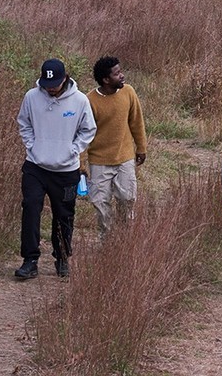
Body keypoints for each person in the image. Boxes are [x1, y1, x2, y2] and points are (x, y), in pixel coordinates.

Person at [15, 59, 96, 280]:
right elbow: (23, 122)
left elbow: (88, 129)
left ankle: (62, 258)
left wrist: (74, 149)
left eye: (56, 83)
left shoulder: (79, 101)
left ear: (65, 78)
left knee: (64, 215)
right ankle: (30, 261)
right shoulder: (32, 97)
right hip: (35, 166)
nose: (51, 87)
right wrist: (32, 145)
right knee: (31, 208)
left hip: (66, 170)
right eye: (47, 83)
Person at [83, 56, 147, 240]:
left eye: (120, 71)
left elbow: (137, 122)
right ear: (106, 79)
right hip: (99, 161)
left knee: (127, 200)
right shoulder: (89, 101)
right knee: (100, 202)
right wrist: (80, 164)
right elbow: (82, 134)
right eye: (117, 73)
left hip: (124, 158)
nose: (122, 76)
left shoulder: (128, 92)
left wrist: (141, 147)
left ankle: (126, 240)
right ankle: (107, 241)